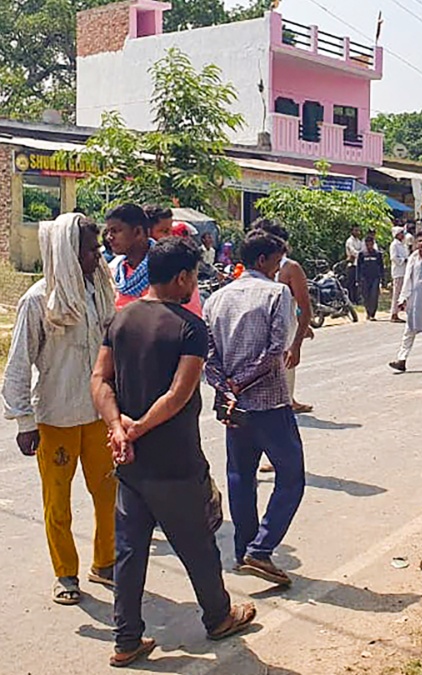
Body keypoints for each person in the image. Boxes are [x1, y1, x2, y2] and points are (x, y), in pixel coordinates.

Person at [91, 237, 256, 668]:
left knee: (129, 552)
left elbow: (99, 380)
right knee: (198, 544)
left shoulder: (121, 320)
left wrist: (118, 428)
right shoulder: (189, 327)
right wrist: (139, 428)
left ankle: (126, 639)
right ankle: (219, 616)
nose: (193, 285)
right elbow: (180, 393)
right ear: (182, 277)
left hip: (129, 463)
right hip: (175, 461)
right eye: (193, 277)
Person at [3, 213, 117, 607]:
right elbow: (18, 363)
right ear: (68, 251)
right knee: (58, 502)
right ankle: (65, 573)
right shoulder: (38, 300)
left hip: (99, 414)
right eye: (89, 248)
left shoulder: (101, 292)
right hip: (55, 418)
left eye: (98, 247)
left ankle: (105, 562)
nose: (97, 255)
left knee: (108, 494)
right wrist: (24, 421)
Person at [204, 231, 304, 588]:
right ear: (263, 261)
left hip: (233, 407)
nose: (280, 270)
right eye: (277, 262)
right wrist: (241, 383)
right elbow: (276, 350)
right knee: (291, 476)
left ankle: (244, 550)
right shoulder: (277, 294)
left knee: (240, 477)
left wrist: (227, 387)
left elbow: (208, 355)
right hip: (269, 402)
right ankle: (260, 549)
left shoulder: (216, 299)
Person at [255, 221, 315, 415]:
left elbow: (302, 305)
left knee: (285, 368)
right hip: (259, 325)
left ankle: (287, 403)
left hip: (284, 325)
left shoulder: (290, 268)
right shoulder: (254, 264)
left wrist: (300, 331)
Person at [105, 204, 204, 317]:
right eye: (108, 232)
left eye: (115, 231)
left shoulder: (172, 269)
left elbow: (191, 317)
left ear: (138, 232)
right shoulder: (113, 271)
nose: (109, 237)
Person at [390, 231, 422, 372]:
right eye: (419, 241)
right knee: (409, 331)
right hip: (414, 300)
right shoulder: (413, 258)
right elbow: (407, 280)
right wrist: (402, 298)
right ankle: (402, 360)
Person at [357, 233, 386, 321]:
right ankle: (368, 313)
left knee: (374, 295)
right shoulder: (362, 254)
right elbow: (358, 267)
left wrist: (383, 279)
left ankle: (373, 313)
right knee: (366, 295)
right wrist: (358, 279)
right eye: (367, 244)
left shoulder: (378, 254)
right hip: (365, 278)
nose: (369, 245)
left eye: (371, 243)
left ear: (373, 243)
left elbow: (381, 266)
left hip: (375, 278)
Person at [389, 226, 410, 322]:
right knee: (397, 293)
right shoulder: (394, 245)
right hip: (398, 272)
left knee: (404, 292)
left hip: (405, 271)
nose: (403, 235)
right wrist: (403, 260)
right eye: (401, 233)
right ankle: (394, 313)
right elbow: (394, 257)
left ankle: (403, 310)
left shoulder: (403, 245)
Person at [345, 226, 364, 304]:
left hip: (358, 264)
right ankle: (351, 300)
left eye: (358, 231)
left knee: (357, 282)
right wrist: (361, 254)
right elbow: (353, 252)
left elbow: (362, 249)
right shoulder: (349, 241)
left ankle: (357, 299)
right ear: (352, 231)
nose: (357, 232)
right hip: (352, 264)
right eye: (356, 230)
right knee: (351, 282)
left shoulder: (359, 241)